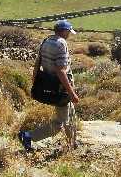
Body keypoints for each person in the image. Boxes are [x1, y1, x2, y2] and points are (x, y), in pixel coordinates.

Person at [18, 19, 80, 151]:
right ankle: (28, 136)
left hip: (49, 84)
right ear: (63, 31)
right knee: (60, 123)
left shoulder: (46, 40)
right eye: (69, 31)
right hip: (60, 87)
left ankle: (72, 143)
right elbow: (61, 70)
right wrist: (71, 93)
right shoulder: (61, 43)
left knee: (69, 115)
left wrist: (34, 84)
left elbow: (37, 63)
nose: (69, 34)